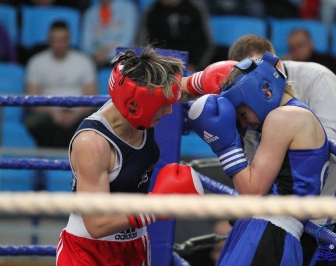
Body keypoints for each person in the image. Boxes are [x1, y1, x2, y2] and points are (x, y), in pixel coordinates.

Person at [227, 34, 336, 266]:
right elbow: (251, 162)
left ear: (274, 64)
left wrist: (281, 131)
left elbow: (334, 145)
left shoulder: (317, 77)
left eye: (257, 74)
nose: (254, 85)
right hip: (287, 214)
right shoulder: (248, 108)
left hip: (335, 208)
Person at [56, 47, 205, 265]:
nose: (170, 112)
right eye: (163, 106)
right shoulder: (92, 143)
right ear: (140, 106)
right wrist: (156, 207)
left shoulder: (138, 107)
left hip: (135, 247)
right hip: (88, 251)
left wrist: (231, 76)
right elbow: (97, 225)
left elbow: (188, 88)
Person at [188, 52, 331, 265]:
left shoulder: (283, 117)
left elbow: (252, 192)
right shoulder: (296, 115)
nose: (245, 124)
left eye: (243, 115)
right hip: (267, 231)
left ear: (263, 92)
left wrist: (226, 146)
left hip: (268, 233)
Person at [24, 20, 98, 148]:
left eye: (63, 39)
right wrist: (53, 114)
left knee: (94, 121)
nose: (59, 44)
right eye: (55, 39)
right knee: (32, 121)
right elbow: (32, 99)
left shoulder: (84, 61)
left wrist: (75, 115)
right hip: (47, 115)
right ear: (48, 39)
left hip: (77, 114)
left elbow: (92, 97)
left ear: (69, 39)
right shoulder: (36, 62)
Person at [283, 28, 336, 110]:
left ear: (311, 43)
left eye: (300, 45)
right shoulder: (288, 68)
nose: (296, 50)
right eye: (292, 48)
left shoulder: (330, 63)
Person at [135, 0, 215, 73]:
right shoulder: (151, 11)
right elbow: (144, 43)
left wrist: (195, 65)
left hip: (191, 67)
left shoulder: (194, 8)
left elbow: (205, 41)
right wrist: (154, 65)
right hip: (159, 68)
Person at [81, 0, 139, 69]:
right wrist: (96, 54)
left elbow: (128, 40)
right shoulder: (90, 13)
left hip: (122, 58)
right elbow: (85, 44)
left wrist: (107, 55)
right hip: (96, 59)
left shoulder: (128, 8)